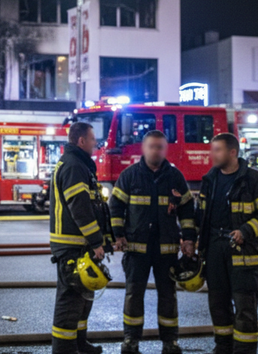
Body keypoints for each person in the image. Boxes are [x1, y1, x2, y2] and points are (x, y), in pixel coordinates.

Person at [109, 130, 196, 354]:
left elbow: (187, 209)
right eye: (151, 146)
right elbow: (116, 206)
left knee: (168, 295)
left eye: (160, 147)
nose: (155, 150)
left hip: (166, 250)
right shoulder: (129, 176)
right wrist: (118, 234)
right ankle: (131, 341)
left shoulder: (175, 177)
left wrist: (188, 239)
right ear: (143, 148)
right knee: (133, 294)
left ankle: (170, 342)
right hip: (136, 249)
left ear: (165, 149)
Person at [196, 133, 258, 354]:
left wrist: (246, 231)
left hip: (244, 253)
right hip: (215, 250)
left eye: (217, 150)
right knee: (218, 304)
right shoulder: (210, 180)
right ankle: (223, 347)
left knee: (245, 307)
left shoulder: (254, 181)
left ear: (232, 152)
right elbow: (200, 216)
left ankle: (244, 351)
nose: (212, 155)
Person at [49, 122, 113, 354]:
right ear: (81, 141)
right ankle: (64, 350)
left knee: (83, 298)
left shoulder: (79, 164)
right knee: (69, 302)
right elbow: (80, 208)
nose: (96, 144)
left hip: (79, 244)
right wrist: (96, 241)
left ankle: (78, 344)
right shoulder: (74, 166)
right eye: (93, 139)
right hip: (72, 246)